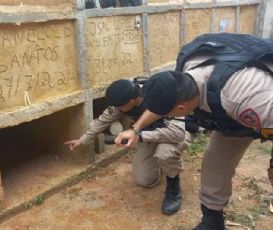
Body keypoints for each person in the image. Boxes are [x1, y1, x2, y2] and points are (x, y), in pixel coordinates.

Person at [114, 33, 273, 229]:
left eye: (167, 114)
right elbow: (163, 102)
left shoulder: (243, 97)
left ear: (180, 109)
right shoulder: (186, 73)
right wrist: (136, 130)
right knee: (214, 164)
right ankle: (212, 221)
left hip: (263, 107)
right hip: (235, 116)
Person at [64, 79, 191, 215]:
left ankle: (173, 186)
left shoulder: (161, 96)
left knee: (165, 153)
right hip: (147, 135)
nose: (117, 109)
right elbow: (103, 120)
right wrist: (82, 139)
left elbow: (177, 134)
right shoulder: (124, 101)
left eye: (119, 106)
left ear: (132, 101)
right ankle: (159, 164)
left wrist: (140, 136)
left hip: (173, 135)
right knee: (144, 180)